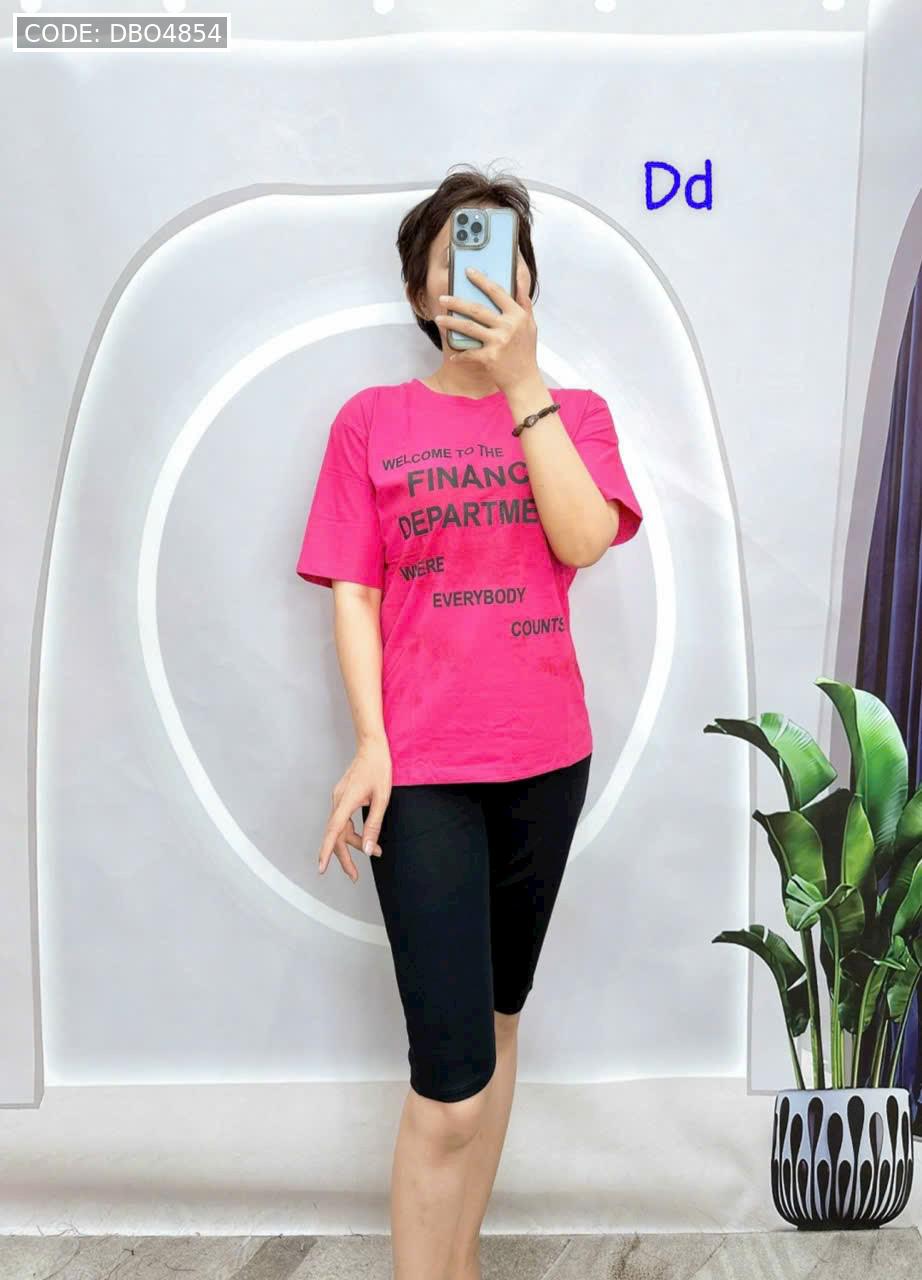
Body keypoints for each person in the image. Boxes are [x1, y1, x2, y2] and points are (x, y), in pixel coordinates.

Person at [294, 164, 643, 1280]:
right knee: (448, 1085)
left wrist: (523, 380)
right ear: (419, 292)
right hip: (425, 773)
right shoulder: (371, 422)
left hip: (547, 763)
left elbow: (582, 539)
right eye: (455, 260)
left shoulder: (576, 416)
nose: (482, 280)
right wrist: (371, 741)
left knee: (495, 1026)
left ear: (529, 285)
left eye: (501, 258)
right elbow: (354, 590)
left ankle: (460, 1262)